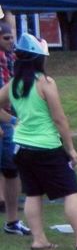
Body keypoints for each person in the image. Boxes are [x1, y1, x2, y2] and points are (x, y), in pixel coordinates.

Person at [0, 33, 77, 250]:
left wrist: (13, 121)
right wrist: (70, 148)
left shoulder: (13, 84)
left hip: (21, 147)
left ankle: (39, 240)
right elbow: (59, 119)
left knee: (33, 193)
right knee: (71, 191)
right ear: (38, 58)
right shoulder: (46, 82)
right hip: (47, 146)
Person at [0, 21, 30, 235]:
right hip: (5, 121)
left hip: (8, 120)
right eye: (6, 38)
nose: (12, 41)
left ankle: (12, 221)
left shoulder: (9, 60)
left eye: (12, 37)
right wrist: (11, 122)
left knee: (11, 170)